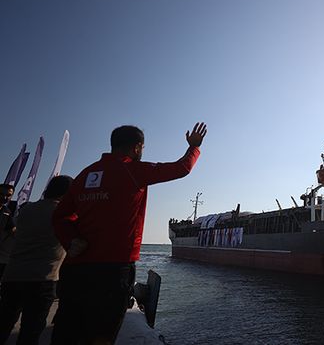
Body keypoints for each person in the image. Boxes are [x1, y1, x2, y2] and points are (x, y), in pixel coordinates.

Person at [51, 122, 207, 344]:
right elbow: (182, 168)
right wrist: (194, 147)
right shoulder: (134, 170)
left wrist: (71, 240)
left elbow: (59, 216)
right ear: (137, 148)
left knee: (67, 331)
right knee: (102, 333)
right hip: (113, 271)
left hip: (75, 270)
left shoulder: (85, 174)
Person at [0, 175, 73, 344]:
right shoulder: (63, 214)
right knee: (30, 331)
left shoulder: (26, 210)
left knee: (4, 323)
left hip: (13, 275)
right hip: (42, 279)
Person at [0, 184, 16, 279]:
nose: (5, 197)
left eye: (8, 195)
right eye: (1, 194)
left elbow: (12, 230)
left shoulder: (7, 211)